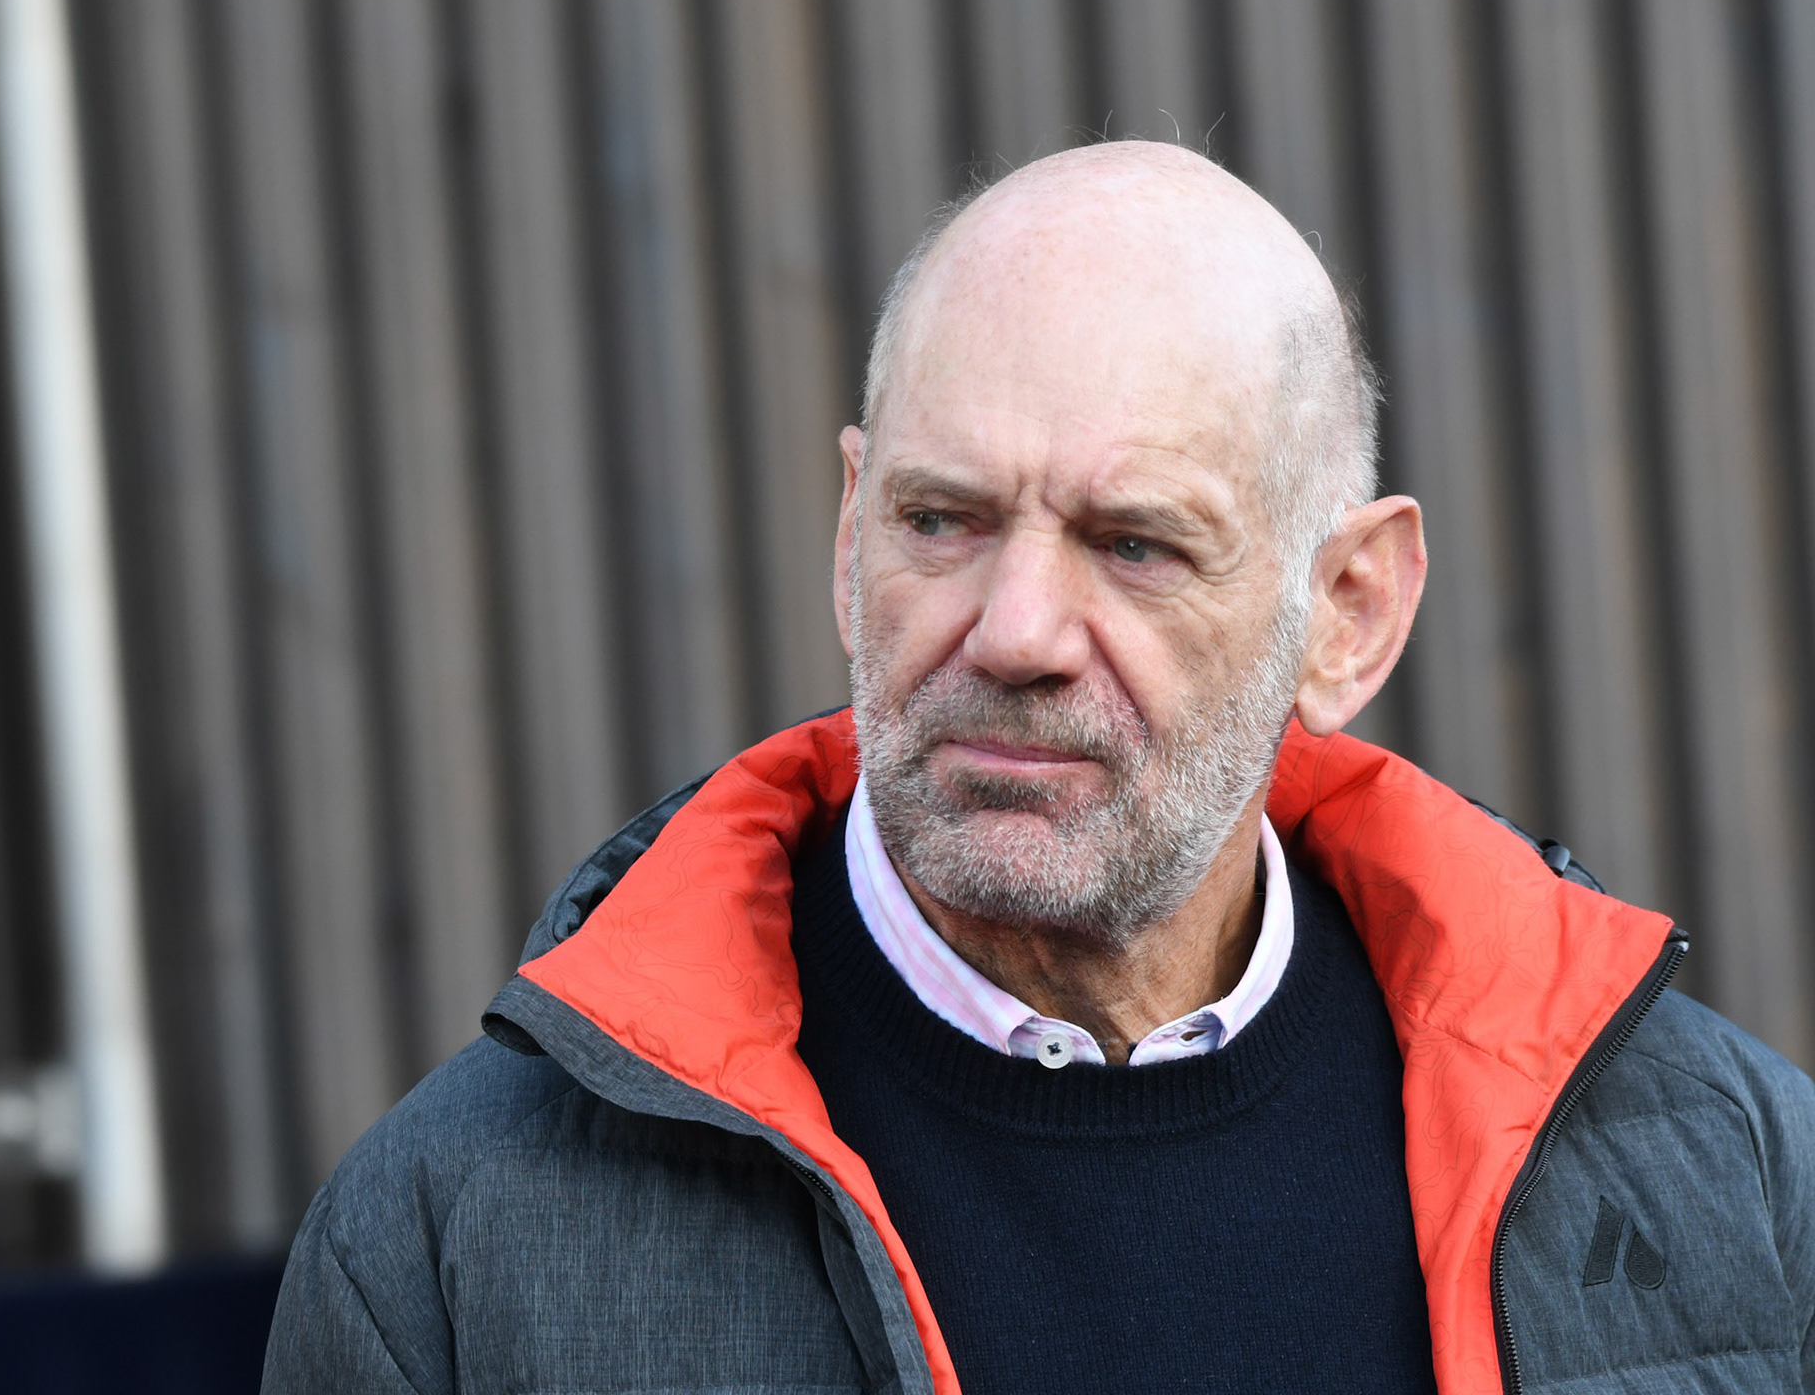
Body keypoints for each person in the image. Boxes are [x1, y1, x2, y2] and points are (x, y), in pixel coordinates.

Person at [261, 141, 1815, 1394]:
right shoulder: (453, 1247)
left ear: (1347, 614)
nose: (1014, 632)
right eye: (940, 521)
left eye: (1133, 545)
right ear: (850, 529)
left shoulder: (1726, 1169)